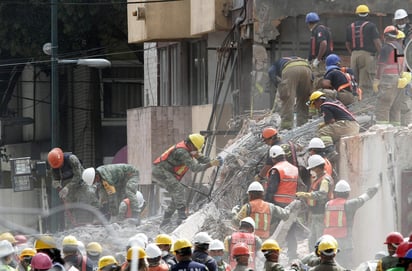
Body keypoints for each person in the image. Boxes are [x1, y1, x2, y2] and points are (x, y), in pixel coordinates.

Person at [152, 133, 222, 226]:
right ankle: (182, 215)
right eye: (196, 149)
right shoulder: (182, 152)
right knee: (179, 189)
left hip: (167, 172)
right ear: (192, 145)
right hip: (160, 171)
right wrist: (210, 164)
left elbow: (200, 157)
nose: (196, 151)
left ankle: (166, 220)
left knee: (176, 196)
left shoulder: (189, 147)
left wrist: (213, 160)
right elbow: (195, 168)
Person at [323, 180, 379, 268]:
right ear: (348, 193)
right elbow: (364, 198)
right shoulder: (349, 204)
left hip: (328, 241)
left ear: (336, 193)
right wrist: (377, 186)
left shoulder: (328, 204)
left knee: (330, 265)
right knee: (345, 265)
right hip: (344, 242)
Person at [48, 147, 98, 228]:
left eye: (60, 164)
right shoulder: (54, 166)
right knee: (68, 207)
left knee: (89, 195)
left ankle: (95, 221)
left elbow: (78, 176)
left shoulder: (71, 159)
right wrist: (56, 184)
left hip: (81, 182)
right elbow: (55, 179)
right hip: (66, 185)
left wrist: (67, 188)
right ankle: (69, 228)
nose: (59, 167)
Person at [265, 145, 299, 260]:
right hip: (291, 204)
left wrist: (266, 204)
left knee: (271, 230)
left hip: (277, 204)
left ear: (274, 157)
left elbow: (271, 189)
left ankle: (270, 254)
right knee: (291, 230)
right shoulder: (294, 168)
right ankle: (292, 254)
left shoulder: (276, 169)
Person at [296, 154, 333, 249]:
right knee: (312, 238)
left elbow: (322, 194)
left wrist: (305, 195)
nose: (311, 171)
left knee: (320, 239)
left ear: (317, 168)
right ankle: (313, 258)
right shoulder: (319, 178)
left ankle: (320, 259)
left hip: (321, 213)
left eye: (312, 168)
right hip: (315, 213)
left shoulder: (325, 180)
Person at [374, 26, 408, 126]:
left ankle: (382, 130)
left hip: (388, 80)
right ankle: (396, 131)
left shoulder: (386, 48)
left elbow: (382, 66)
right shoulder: (400, 48)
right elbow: (402, 65)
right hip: (398, 79)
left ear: (385, 36)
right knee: (395, 108)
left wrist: (377, 80)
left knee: (383, 106)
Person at [345, 4, 382, 98]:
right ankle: (364, 104)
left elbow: (347, 44)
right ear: (367, 14)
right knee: (366, 82)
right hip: (367, 56)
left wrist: (353, 53)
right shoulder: (371, 26)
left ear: (357, 14)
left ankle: (355, 100)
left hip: (354, 55)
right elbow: (377, 42)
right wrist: (381, 55)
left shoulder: (350, 27)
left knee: (354, 81)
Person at [268, 57, 313, 129]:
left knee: (288, 99)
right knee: (304, 99)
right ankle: (303, 124)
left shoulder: (275, 64)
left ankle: (286, 127)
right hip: (306, 68)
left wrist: (277, 84)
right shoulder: (285, 60)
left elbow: (270, 72)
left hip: (290, 69)